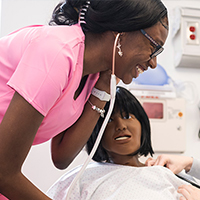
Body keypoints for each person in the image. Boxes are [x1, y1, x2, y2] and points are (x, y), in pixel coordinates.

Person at [0, 0, 168, 199]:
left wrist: (104, 87)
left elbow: (62, 157)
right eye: (154, 46)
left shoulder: (93, 75)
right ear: (122, 31)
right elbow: (4, 174)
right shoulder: (57, 52)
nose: (154, 63)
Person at [47, 87, 192, 200]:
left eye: (127, 116)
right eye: (109, 120)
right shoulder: (82, 178)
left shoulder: (165, 175)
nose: (121, 125)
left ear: (142, 124)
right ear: (96, 133)